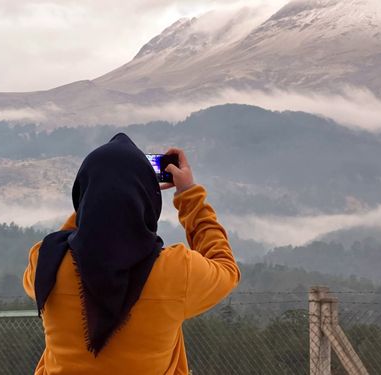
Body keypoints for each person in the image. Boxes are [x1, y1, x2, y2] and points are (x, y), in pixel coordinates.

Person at [22, 133, 241, 374]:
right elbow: (226, 268)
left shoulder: (46, 261)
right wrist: (188, 194)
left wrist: (94, 205)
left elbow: (75, 236)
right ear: (147, 199)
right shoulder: (178, 273)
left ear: (82, 193)